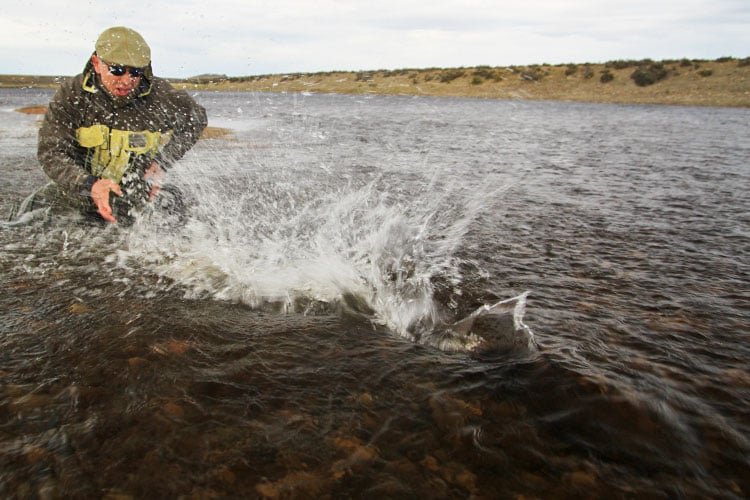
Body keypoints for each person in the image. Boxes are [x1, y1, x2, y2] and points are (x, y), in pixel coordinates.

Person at [14, 26, 207, 225]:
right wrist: (89, 185)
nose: (127, 80)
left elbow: (197, 119)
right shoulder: (72, 94)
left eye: (136, 72)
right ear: (97, 63)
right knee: (26, 220)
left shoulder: (161, 96)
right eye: (117, 70)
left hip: (135, 198)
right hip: (81, 193)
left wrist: (163, 161)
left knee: (178, 218)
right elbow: (51, 152)